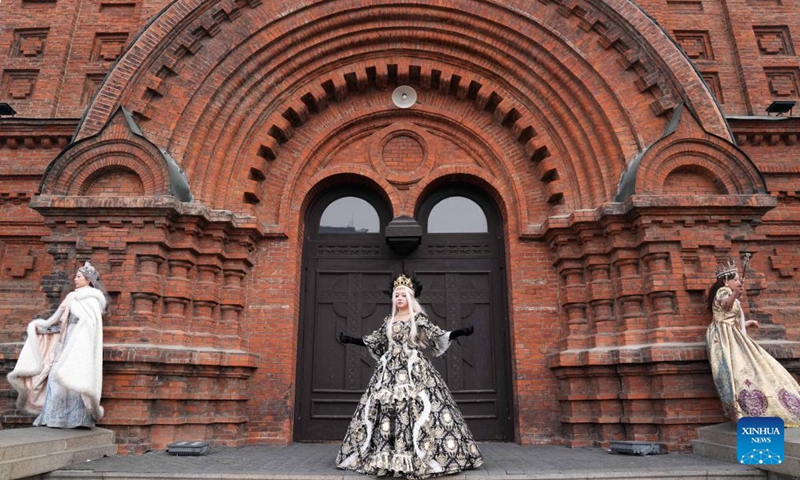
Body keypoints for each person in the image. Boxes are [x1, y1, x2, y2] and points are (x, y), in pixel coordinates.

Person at [335, 273, 483, 479]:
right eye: (396, 296)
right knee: (385, 408)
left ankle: (421, 455)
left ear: (410, 298)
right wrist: (350, 339)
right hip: (389, 371)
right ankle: (385, 455)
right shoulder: (389, 320)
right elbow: (375, 340)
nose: (399, 299)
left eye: (403, 295)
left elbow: (436, 334)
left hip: (414, 368)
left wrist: (459, 333)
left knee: (420, 406)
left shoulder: (418, 319)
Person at [8, 261, 107, 428]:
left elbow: (89, 324)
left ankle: (77, 419)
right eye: (76, 276)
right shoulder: (71, 296)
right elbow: (56, 319)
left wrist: (78, 329)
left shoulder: (92, 299)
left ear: (88, 279)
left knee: (75, 378)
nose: (75, 279)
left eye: (79, 276)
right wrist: (40, 326)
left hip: (79, 346)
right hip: (64, 343)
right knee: (55, 378)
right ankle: (54, 417)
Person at [706, 258, 800, 424]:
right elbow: (726, 306)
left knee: (751, 366)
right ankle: (747, 410)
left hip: (732, 333)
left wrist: (747, 323)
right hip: (724, 337)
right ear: (725, 280)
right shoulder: (723, 291)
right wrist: (735, 294)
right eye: (735, 279)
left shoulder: (728, 293)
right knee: (738, 369)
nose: (737, 282)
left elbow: (728, 317)